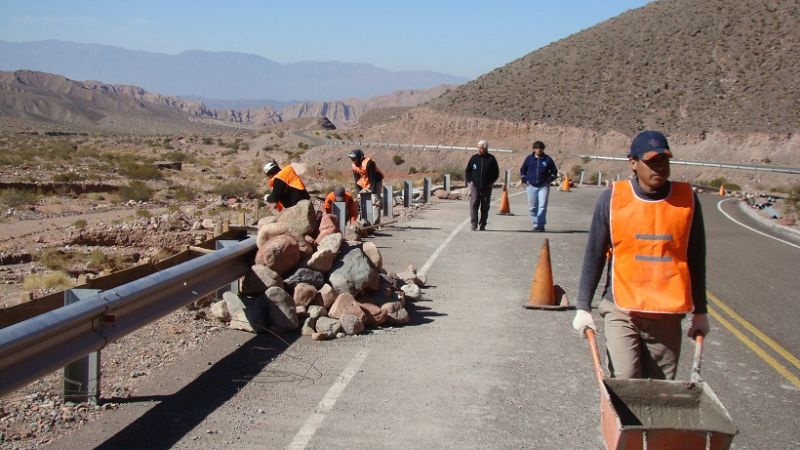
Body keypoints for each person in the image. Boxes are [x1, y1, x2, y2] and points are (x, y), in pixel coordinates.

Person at [572, 130, 709, 380]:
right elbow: (594, 254)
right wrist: (583, 306)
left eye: (664, 160)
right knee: (625, 379)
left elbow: (696, 259)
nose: (659, 167)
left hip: (666, 315)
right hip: (621, 308)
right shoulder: (613, 199)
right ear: (633, 163)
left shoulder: (687, 201)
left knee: (659, 390)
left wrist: (701, 311)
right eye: (651, 161)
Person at [519, 140, 558, 231]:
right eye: (536, 148)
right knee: (532, 207)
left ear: (543, 149)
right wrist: (524, 178)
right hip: (531, 186)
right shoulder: (529, 159)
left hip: (543, 186)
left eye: (540, 148)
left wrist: (549, 180)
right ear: (534, 149)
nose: (538, 150)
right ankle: (535, 222)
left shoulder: (547, 159)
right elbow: (523, 170)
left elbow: (554, 172)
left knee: (542, 205)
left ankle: (540, 225)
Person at [464, 140, 500, 231]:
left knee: (485, 206)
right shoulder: (474, 158)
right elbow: (468, 171)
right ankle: (473, 224)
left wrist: (491, 182)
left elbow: (496, 173)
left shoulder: (491, 159)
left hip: (486, 187)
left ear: (486, 149)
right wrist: (470, 181)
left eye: (482, 148)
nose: (480, 150)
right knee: (474, 204)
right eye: (479, 148)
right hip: (475, 186)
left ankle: (483, 224)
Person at [348, 149, 385, 223]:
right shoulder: (354, 166)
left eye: (354, 159)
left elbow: (373, 179)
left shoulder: (369, 163)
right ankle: (365, 221)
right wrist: (359, 192)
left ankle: (375, 222)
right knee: (362, 199)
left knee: (375, 200)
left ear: (360, 158)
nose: (353, 161)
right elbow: (357, 180)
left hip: (376, 180)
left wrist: (372, 191)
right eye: (352, 159)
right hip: (365, 180)